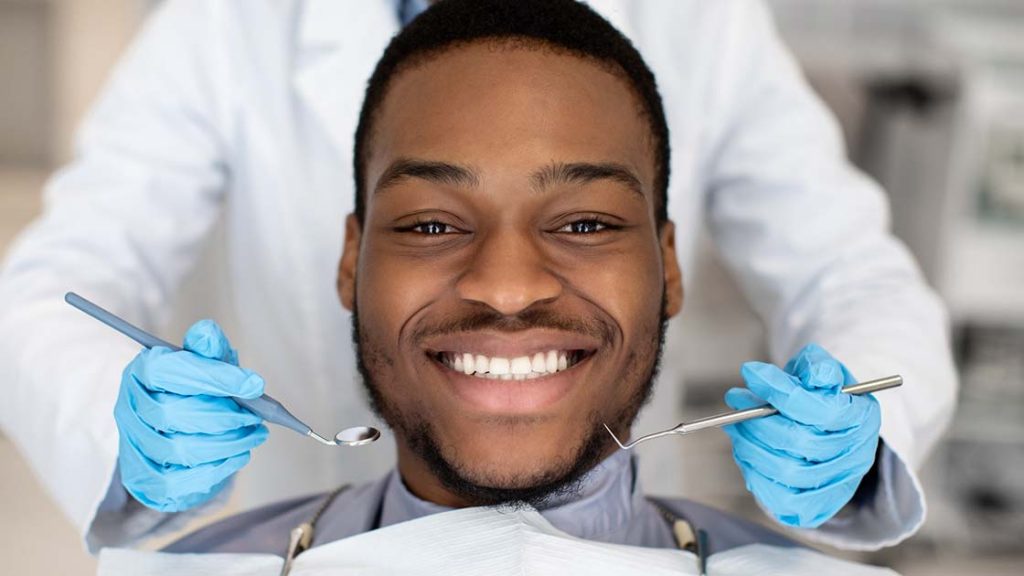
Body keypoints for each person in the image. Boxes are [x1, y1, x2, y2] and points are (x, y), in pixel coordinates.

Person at [0, 0, 955, 555]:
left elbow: (851, 270)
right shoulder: (234, 22)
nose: (505, 287)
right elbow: (58, 281)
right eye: (425, 221)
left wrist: (863, 434)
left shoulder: (698, 19)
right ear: (351, 253)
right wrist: (124, 428)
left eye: (585, 220)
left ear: (664, 261)